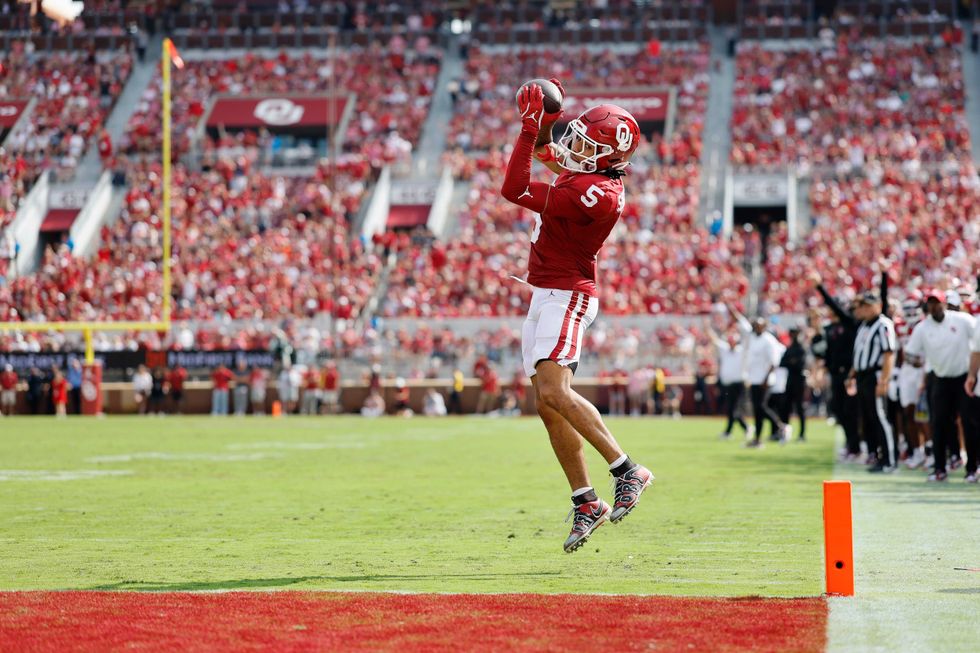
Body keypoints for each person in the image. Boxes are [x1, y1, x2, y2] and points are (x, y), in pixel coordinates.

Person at [500, 79, 652, 553]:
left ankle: (628, 469)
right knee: (547, 406)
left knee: (553, 390)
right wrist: (543, 123)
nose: (574, 147)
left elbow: (515, 188)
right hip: (544, 292)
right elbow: (551, 152)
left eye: (586, 143)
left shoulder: (600, 192)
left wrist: (528, 130)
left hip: (569, 293)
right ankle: (586, 500)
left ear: (607, 157)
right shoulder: (590, 170)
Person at [905, 290, 979, 482]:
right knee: (938, 423)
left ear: (944, 303)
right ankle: (940, 468)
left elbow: (977, 339)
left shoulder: (962, 320)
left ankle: (972, 468)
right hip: (940, 378)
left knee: (969, 422)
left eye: (937, 302)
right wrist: (917, 362)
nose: (934, 307)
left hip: (963, 377)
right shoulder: (922, 328)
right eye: (931, 303)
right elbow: (910, 352)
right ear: (927, 306)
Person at [848, 291, 898, 472]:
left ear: (877, 305)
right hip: (862, 376)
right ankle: (878, 457)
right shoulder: (863, 326)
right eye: (862, 306)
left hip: (875, 376)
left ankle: (890, 460)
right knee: (869, 418)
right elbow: (859, 354)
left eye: (867, 305)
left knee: (881, 418)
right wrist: (851, 375)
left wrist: (884, 380)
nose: (863, 309)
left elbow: (888, 353)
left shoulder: (883, 324)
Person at [729, 305, 785, 447]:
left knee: (761, 407)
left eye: (759, 325)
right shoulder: (753, 337)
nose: (756, 327)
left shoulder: (769, 340)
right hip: (754, 379)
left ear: (764, 326)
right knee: (757, 410)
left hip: (764, 380)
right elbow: (742, 322)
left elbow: (774, 362)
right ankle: (758, 439)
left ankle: (780, 426)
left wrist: (766, 378)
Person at [706, 324, 751, 440]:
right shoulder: (725, 350)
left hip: (739, 384)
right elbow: (714, 340)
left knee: (734, 409)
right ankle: (733, 430)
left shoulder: (742, 351)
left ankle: (743, 428)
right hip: (728, 385)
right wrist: (707, 327)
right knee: (731, 408)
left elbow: (748, 338)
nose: (731, 343)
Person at [780, 327, 808, 441]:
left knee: (799, 407)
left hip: (799, 381)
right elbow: (782, 362)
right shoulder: (790, 348)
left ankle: (801, 434)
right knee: (786, 407)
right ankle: (786, 431)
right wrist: (792, 361)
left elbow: (799, 364)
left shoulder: (801, 348)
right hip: (790, 380)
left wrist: (791, 362)